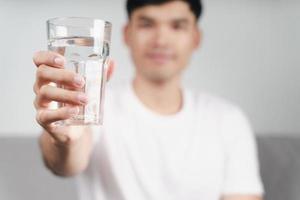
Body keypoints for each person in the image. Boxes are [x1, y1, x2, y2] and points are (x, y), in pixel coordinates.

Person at [32, 0, 264, 199]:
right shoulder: (91, 104)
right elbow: (64, 164)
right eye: (146, 24)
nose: (161, 40)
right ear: (126, 34)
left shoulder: (228, 120)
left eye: (177, 26)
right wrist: (65, 139)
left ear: (196, 38)